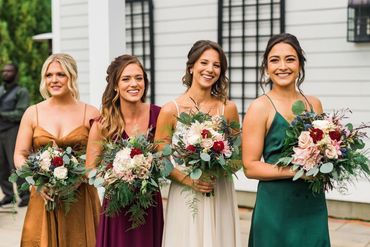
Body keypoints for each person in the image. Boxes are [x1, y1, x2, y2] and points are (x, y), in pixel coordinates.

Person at [242, 33, 330, 246]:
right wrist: (297, 172)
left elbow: (325, 151)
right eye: (274, 60)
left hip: (312, 206)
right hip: (275, 208)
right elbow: (250, 167)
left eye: (290, 59)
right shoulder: (259, 107)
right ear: (266, 67)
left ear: (300, 64)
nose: (283, 66)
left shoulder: (314, 104)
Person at [155, 40, 242, 247]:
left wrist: (219, 166)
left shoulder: (227, 108)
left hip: (219, 189)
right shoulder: (170, 110)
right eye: (204, 63)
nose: (210, 69)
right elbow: (160, 159)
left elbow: (239, 157)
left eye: (217, 65)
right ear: (191, 67)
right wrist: (188, 180)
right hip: (186, 194)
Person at [13, 53, 101, 247]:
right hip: (43, 196)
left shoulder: (91, 113)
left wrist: (78, 178)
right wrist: (36, 181)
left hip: (79, 199)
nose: (54, 80)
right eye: (49, 75)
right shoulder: (32, 112)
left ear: (72, 77)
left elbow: (97, 158)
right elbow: (19, 154)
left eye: (60, 74)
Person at [86, 54, 163, 247]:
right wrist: (119, 175)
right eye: (126, 79)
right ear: (115, 85)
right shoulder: (103, 124)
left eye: (139, 78)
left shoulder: (159, 115)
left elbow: (165, 160)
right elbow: (90, 170)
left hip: (149, 205)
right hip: (116, 208)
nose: (134, 84)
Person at [0, 63, 30, 207]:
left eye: (9, 71)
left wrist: (2, 114)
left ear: (16, 73)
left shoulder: (21, 91)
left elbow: (21, 113)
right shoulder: (0, 90)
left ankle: (25, 195)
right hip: (0, 130)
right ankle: (8, 194)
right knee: (1, 165)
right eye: (4, 71)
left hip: (13, 130)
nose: (6, 73)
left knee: (15, 164)